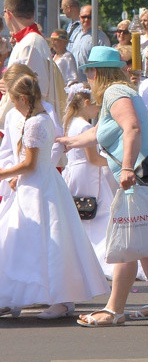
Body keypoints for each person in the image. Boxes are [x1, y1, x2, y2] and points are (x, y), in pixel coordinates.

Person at [55, 46, 148, 326]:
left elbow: (131, 127)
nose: (88, 78)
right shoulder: (122, 92)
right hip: (146, 175)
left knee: (127, 240)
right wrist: (71, 142)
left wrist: (128, 167)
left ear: (98, 72)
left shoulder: (114, 93)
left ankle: (114, 309)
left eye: (89, 72)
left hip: (138, 176)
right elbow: (102, 130)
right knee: (143, 240)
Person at [0, 74, 109, 320]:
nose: (13, 105)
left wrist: (3, 173)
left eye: (14, 100)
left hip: (38, 185)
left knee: (47, 240)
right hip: (39, 184)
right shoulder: (42, 118)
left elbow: (29, 164)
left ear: (24, 99)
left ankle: (61, 299)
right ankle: (15, 296)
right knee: (23, 239)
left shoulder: (35, 122)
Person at [61, 85, 116, 278]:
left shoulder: (70, 122)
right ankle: (101, 258)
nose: (98, 110)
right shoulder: (85, 126)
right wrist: (115, 162)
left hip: (74, 171)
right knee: (98, 215)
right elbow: (93, 158)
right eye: (96, 106)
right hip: (88, 173)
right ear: (86, 103)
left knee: (83, 216)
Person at [0, 0, 67, 125]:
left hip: (28, 123)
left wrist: (10, 87)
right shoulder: (28, 41)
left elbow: (34, 90)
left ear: (8, 14)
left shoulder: (30, 45)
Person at [71, 4, 112, 81]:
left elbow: (105, 63)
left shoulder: (100, 37)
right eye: (84, 17)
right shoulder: (76, 34)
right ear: (79, 17)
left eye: (89, 17)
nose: (86, 20)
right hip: (76, 83)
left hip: (91, 83)